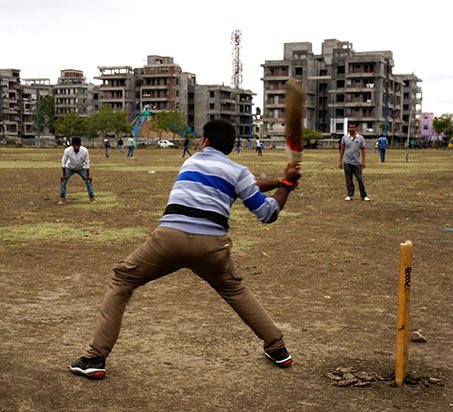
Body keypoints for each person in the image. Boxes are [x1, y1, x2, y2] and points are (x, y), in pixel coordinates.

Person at [69, 119, 302, 379]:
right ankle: (277, 347)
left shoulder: (191, 162)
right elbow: (265, 212)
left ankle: (95, 357)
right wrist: (286, 186)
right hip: (212, 247)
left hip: (169, 239)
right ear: (231, 146)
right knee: (235, 290)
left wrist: (281, 182)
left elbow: (235, 189)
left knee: (123, 279)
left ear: (204, 141)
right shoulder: (239, 172)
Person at [58, 137, 96, 205]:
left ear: (80, 145)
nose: (76, 147)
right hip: (69, 167)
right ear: (72, 145)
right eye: (75, 145)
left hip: (81, 168)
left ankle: (92, 198)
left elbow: (87, 162)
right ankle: (62, 198)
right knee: (63, 181)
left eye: (78, 145)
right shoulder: (67, 150)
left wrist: (88, 175)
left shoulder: (85, 151)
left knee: (88, 181)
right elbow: (63, 161)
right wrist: (64, 175)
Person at [339, 123, 370, 201]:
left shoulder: (360, 138)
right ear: (348, 128)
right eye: (350, 127)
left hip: (356, 162)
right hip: (347, 162)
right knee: (348, 180)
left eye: (353, 127)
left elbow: (363, 149)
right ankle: (350, 195)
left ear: (356, 128)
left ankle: (364, 195)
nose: (351, 129)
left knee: (360, 179)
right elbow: (342, 150)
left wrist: (363, 161)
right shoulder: (344, 138)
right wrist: (340, 161)